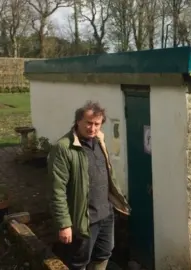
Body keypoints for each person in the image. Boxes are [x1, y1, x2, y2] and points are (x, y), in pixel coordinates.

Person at [47, 101, 131, 270]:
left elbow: (108, 174)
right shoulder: (64, 148)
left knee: (104, 253)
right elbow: (58, 190)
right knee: (79, 260)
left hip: (105, 213)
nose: (92, 128)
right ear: (78, 121)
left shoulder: (99, 140)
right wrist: (64, 224)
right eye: (89, 123)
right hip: (84, 218)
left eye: (97, 124)